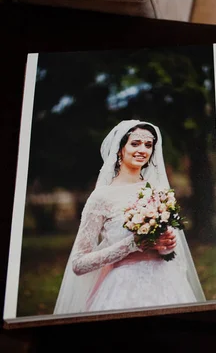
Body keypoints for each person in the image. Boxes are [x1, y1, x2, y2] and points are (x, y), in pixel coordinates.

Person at [54, 120, 206, 315]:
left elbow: (170, 251)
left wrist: (166, 245)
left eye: (148, 145)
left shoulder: (158, 192)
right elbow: (79, 264)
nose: (142, 149)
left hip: (167, 283)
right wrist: (132, 244)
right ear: (120, 149)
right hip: (122, 288)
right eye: (135, 143)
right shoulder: (101, 197)